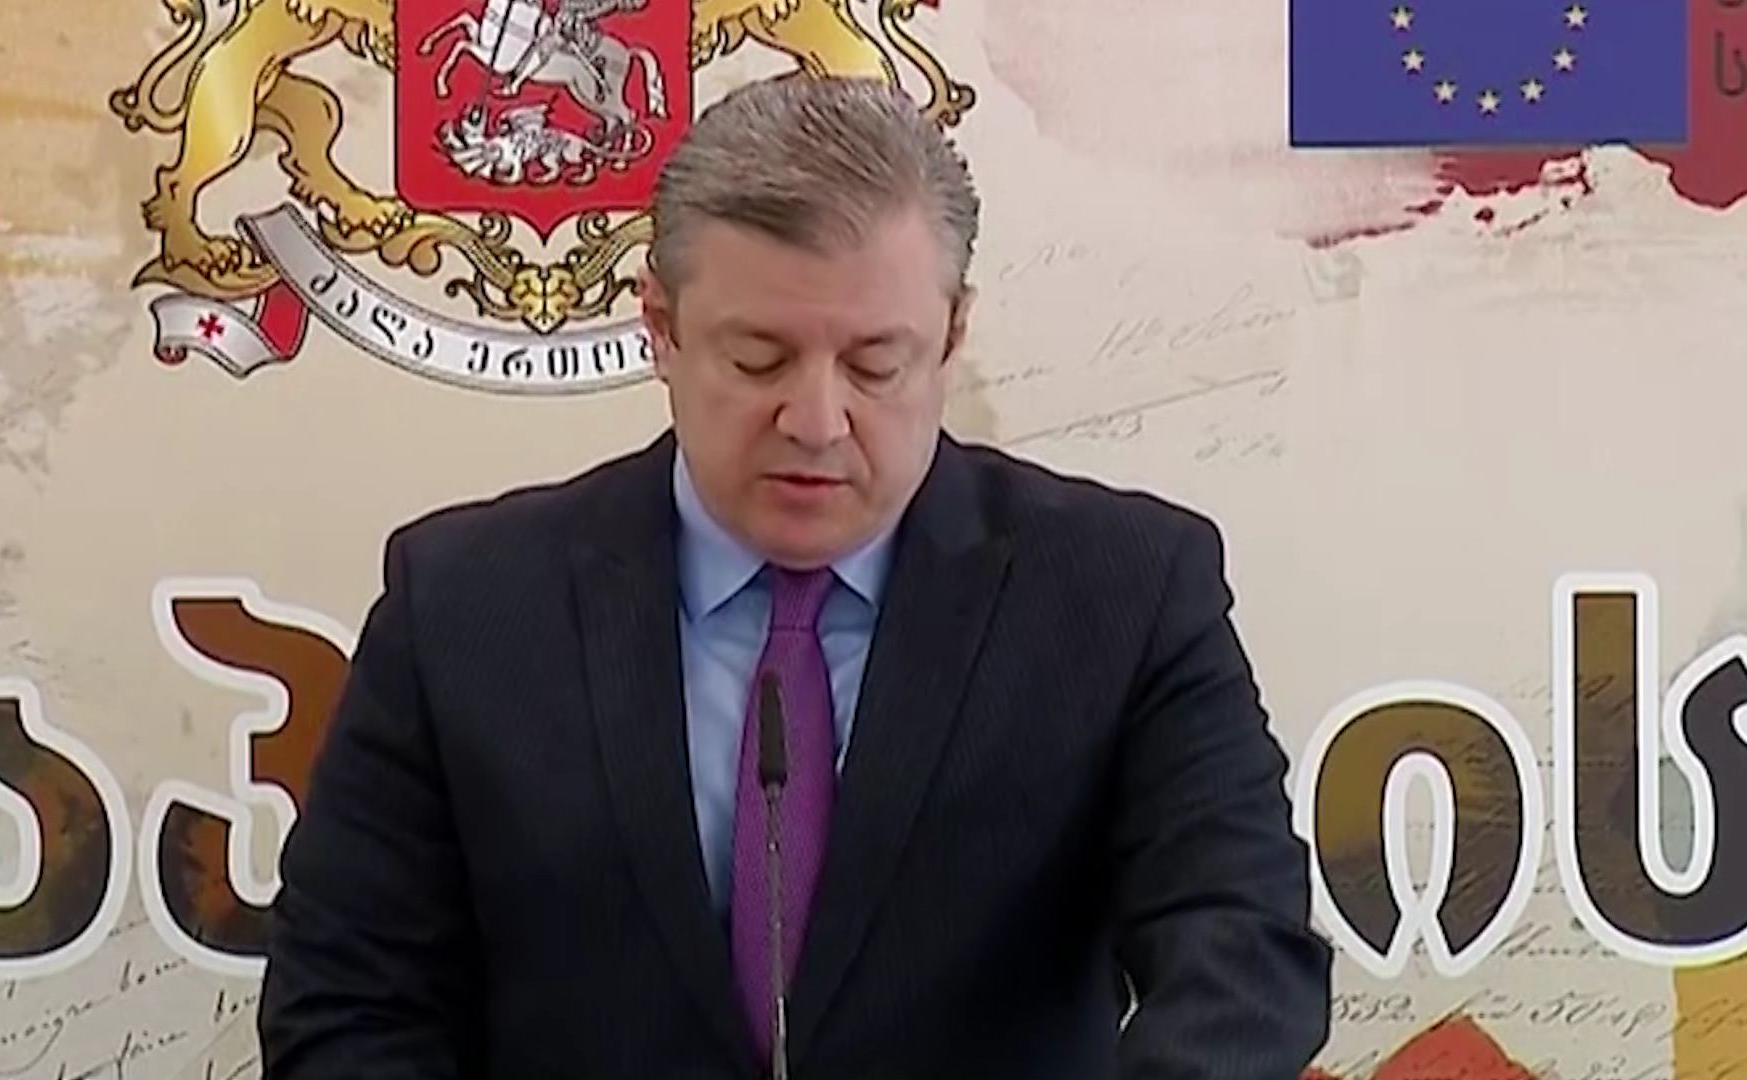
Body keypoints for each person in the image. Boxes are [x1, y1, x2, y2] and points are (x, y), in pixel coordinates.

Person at [258, 75, 1332, 1079]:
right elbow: (349, 1003)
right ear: (661, 328)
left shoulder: (1125, 592)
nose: (817, 423)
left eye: (875, 364)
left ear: (952, 335)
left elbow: (1242, 947)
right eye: (759, 359)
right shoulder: (463, 607)